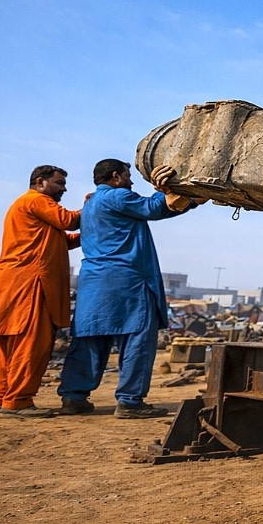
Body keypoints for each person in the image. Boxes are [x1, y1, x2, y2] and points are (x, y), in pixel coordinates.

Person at [57, 159, 200, 418]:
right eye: (128, 176)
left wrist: (190, 202)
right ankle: (130, 401)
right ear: (115, 177)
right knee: (137, 338)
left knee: (89, 340)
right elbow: (153, 207)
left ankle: (74, 397)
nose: (131, 181)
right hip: (127, 282)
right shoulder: (117, 196)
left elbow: (156, 210)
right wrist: (165, 187)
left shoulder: (90, 205)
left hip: (93, 285)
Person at [0, 165, 81, 419]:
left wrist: (88, 234)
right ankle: (18, 401)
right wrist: (95, 206)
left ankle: (1, 397)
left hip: (12, 282)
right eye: (59, 183)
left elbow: (62, 238)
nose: (64, 188)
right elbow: (68, 220)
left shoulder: (28, 207)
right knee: (31, 343)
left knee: (9, 344)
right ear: (40, 182)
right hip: (30, 284)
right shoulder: (36, 200)